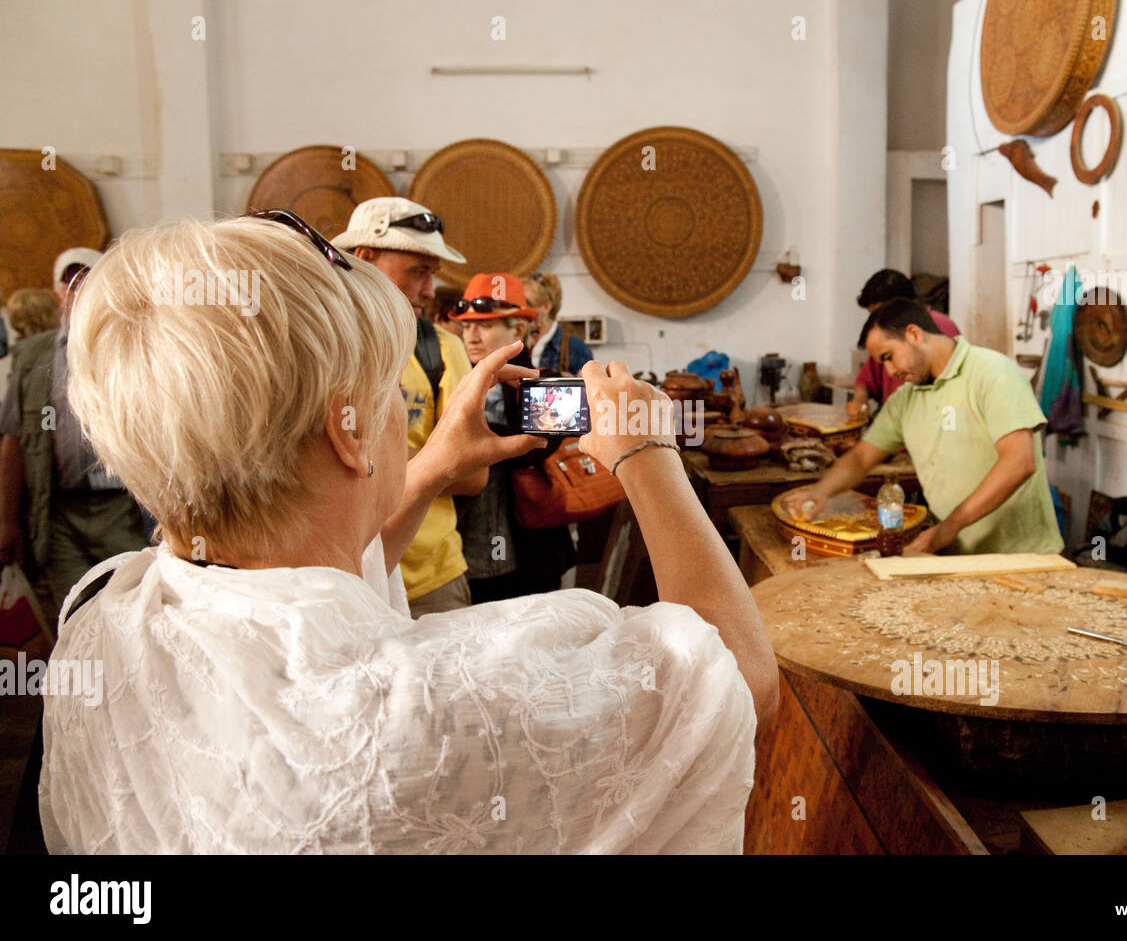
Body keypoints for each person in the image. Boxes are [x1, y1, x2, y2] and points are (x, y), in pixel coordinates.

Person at [39, 212, 776, 853]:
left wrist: (428, 470)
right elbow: (736, 677)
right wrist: (648, 453)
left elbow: (306, 600)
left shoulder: (104, 619)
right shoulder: (429, 710)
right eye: (390, 391)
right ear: (347, 432)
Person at [787, 299, 1062, 556]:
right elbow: (861, 457)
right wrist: (819, 492)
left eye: (888, 356)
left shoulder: (993, 373)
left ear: (914, 334)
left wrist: (950, 526)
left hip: (1022, 558)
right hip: (957, 556)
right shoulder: (905, 399)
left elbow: (1019, 462)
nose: (889, 372)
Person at [333, 198, 485, 615]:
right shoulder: (318, 346)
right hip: (335, 575)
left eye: (432, 273)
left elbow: (472, 472)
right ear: (366, 258)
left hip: (431, 579)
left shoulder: (442, 348)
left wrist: (357, 453)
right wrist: (431, 458)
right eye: (419, 271)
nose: (430, 290)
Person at [0, 248, 148, 625]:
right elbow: (13, 440)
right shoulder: (32, 356)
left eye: (87, 280)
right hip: (58, 514)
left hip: (123, 509)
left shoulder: (134, 345)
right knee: (74, 620)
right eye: (70, 283)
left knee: (135, 614)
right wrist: (7, 520)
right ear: (57, 293)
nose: (78, 291)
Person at [452, 273, 576, 603]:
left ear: (518, 329)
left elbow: (537, 445)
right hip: (464, 554)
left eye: (485, 325)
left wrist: (467, 433)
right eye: (466, 326)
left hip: (533, 554)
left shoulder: (549, 382)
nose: (471, 336)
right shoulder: (453, 382)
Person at [847, 269, 960, 420]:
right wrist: (860, 400)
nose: (890, 371)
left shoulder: (939, 327)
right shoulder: (886, 339)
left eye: (880, 315)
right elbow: (866, 380)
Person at [523, 271, 593, 374]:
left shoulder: (576, 349)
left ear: (546, 307)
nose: (520, 310)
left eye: (527, 304)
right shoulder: (516, 341)